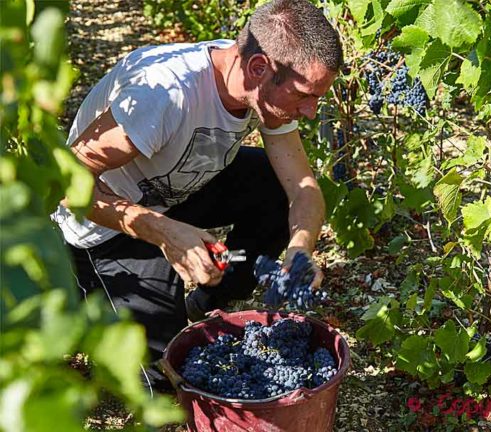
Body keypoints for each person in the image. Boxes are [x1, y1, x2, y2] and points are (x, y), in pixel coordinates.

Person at [52, 0, 343, 391]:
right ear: (259, 69)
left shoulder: (261, 82)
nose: (311, 112)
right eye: (305, 96)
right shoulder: (165, 95)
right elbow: (66, 182)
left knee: (270, 187)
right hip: (100, 224)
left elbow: (301, 188)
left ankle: (210, 301)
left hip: (173, 192)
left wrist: (301, 248)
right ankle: (75, 290)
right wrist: (164, 233)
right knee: (164, 375)